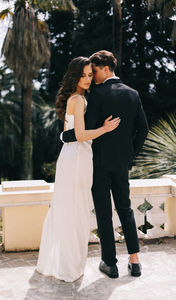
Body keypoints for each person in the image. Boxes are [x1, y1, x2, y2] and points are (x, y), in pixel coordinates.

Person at [61, 50, 149, 278]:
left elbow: (84, 132)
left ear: (106, 68)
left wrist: (65, 136)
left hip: (98, 164)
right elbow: (144, 129)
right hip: (122, 163)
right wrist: (130, 154)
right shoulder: (133, 94)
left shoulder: (97, 95)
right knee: (125, 209)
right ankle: (135, 260)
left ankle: (109, 264)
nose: (92, 77)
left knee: (104, 212)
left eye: (95, 71)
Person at [36, 56, 120, 282]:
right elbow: (81, 135)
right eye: (83, 75)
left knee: (72, 208)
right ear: (75, 75)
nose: (87, 79)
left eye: (90, 75)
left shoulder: (79, 98)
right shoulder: (78, 100)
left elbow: (67, 134)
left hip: (74, 156)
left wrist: (71, 136)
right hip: (77, 160)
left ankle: (67, 262)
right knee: (75, 210)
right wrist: (105, 129)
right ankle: (70, 266)